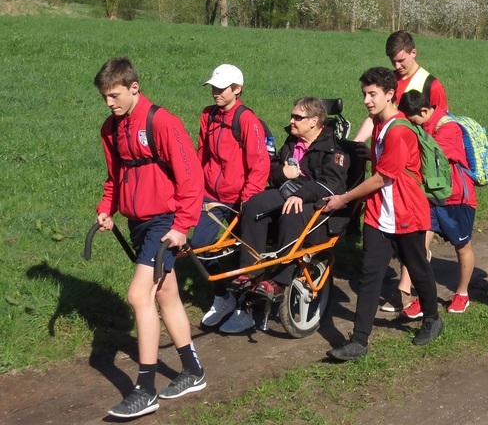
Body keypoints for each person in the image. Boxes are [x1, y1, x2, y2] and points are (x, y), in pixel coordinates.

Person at [94, 57, 206, 418]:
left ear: (134, 88)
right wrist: (106, 209)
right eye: (104, 97)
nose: (109, 103)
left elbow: (191, 178)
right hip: (137, 221)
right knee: (166, 293)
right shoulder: (110, 129)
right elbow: (115, 176)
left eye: (114, 95)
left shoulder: (163, 123)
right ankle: (193, 371)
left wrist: (182, 225)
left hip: (165, 221)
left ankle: (145, 389)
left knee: (137, 294)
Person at [324, 67, 443, 361]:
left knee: (417, 269)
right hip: (379, 216)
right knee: (370, 275)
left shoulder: (399, 130)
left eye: (372, 94)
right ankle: (359, 341)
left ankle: (432, 317)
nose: (366, 99)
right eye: (364, 93)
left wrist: (343, 199)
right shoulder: (380, 125)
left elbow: (382, 178)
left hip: (406, 213)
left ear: (390, 94)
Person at [353, 30, 449, 314]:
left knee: (415, 250)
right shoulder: (387, 83)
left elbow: (435, 123)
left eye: (401, 60)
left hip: (410, 174)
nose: (397, 66)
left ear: (413, 52)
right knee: (401, 251)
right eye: (392, 61)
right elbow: (375, 118)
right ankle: (402, 298)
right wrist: (357, 145)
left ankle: (410, 295)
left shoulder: (431, 84)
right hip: (389, 173)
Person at [237, 97, 350, 305]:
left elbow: (332, 184)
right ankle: (251, 270)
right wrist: (282, 173)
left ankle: (280, 280)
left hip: (320, 204)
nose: (291, 121)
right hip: (290, 191)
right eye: (292, 116)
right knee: (254, 205)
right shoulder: (292, 142)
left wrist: (302, 194)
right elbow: (274, 169)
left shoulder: (333, 149)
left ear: (314, 121)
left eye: (297, 117)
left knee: (293, 212)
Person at [193, 64, 270, 333]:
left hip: (239, 200)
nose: (215, 92)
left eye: (220, 88)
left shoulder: (247, 119)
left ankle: (245, 308)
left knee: (242, 257)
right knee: (199, 245)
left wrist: (247, 202)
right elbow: (201, 153)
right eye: (213, 87)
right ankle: (222, 296)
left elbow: (260, 163)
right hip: (211, 197)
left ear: (237, 90)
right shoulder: (208, 116)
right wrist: (195, 187)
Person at [397, 90, 477, 316]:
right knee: (419, 246)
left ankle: (462, 293)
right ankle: (425, 297)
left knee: (462, 246)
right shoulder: (422, 124)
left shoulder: (448, 128)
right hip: (431, 198)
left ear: (424, 111)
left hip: (456, 198)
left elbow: (430, 157)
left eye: (413, 121)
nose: (412, 125)